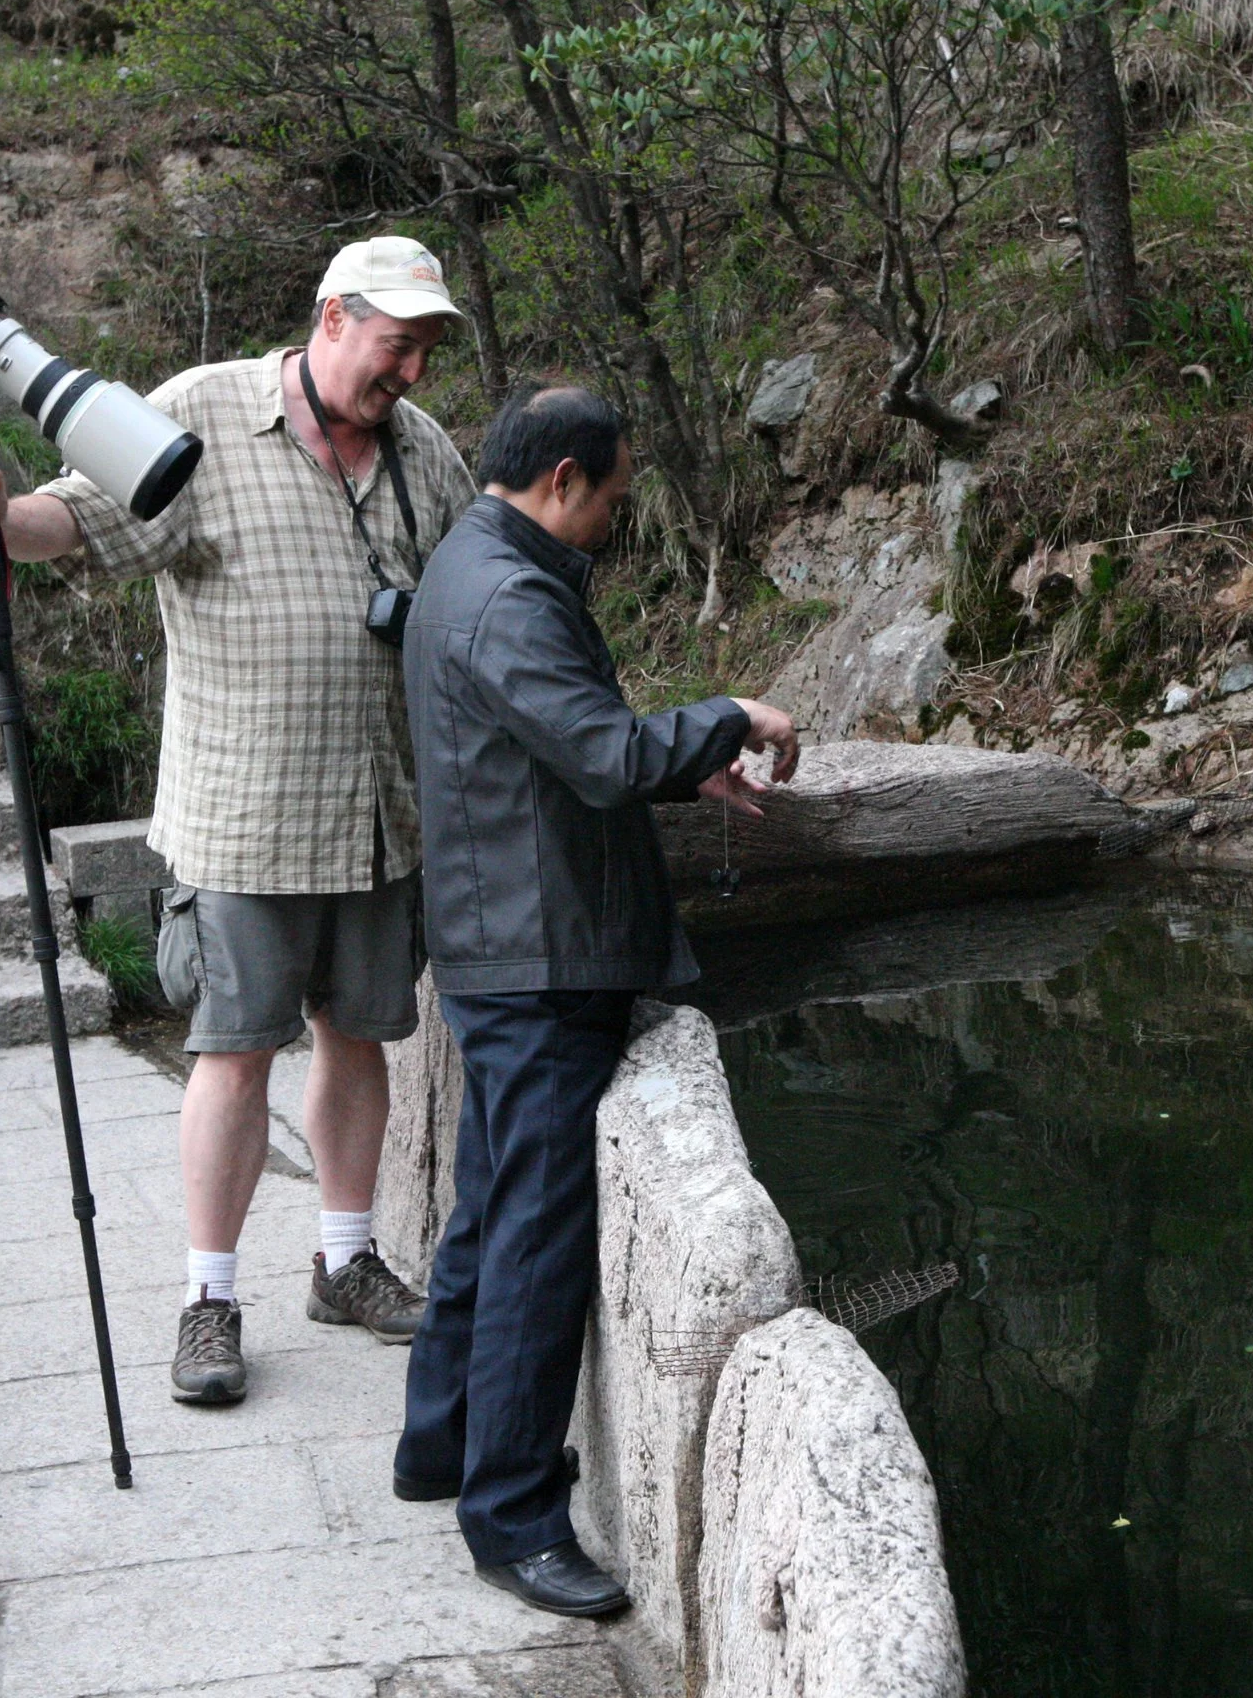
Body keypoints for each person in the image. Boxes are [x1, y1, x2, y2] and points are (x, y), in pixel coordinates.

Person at [0, 237, 479, 1405]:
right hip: (244, 818)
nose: (411, 374)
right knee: (233, 1054)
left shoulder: (424, 449)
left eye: (425, 353)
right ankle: (209, 1298)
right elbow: (77, 522)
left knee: (358, 1038)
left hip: (381, 814)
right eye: (397, 347)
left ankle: (344, 1260)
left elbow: (475, 593)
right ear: (332, 318)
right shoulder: (200, 411)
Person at [394, 383, 799, 1617]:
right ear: (562, 478)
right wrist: (728, 716)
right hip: (538, 959)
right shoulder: (511, 595)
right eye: (613, 500)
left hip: (504, 940)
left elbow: (551, 751)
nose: (616, 521)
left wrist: (685, 767)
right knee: (536, 1236)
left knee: (489, 1208)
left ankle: (438, 1438)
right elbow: (604, 752)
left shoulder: (468, 562)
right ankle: (514, 1517)